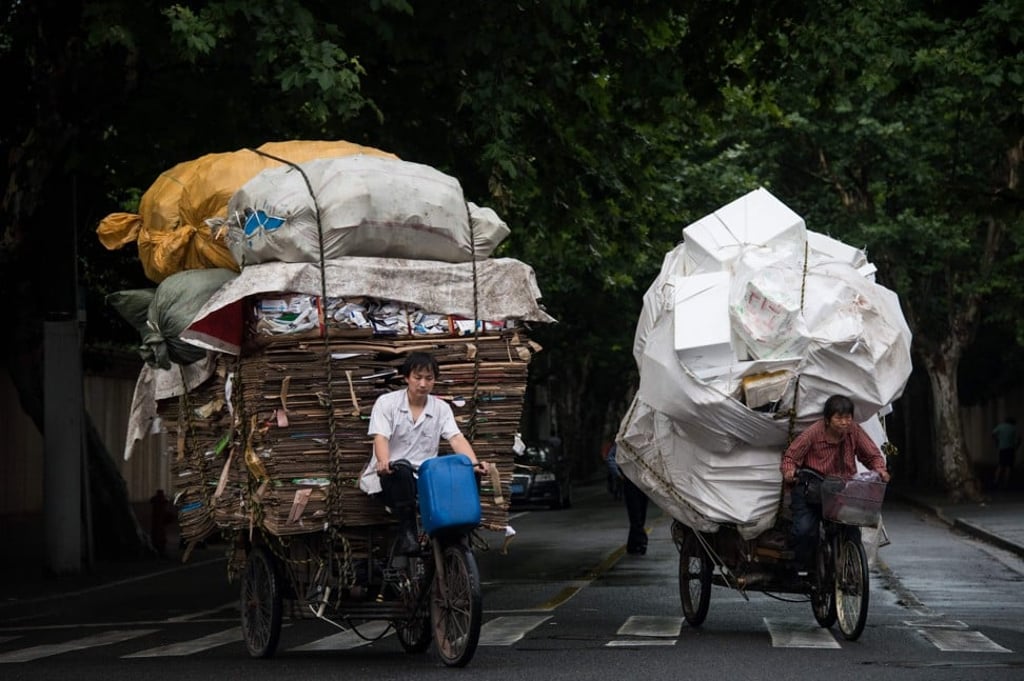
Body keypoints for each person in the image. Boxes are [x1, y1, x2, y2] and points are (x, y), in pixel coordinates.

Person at [359, 352, 490, 555]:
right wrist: (384, 462)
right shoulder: (387, 403)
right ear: (406, 378)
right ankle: (408, 534)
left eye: (428, 378)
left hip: (426, 480)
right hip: (392, 478)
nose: (423, 384)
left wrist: (474, 464)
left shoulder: (441, 409)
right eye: (417, 377)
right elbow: (381, 438)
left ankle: (459, 538)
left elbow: (456, 438)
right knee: (401, 470)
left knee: (467, 473)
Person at [779, 394, 890, 571]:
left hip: (841, 490)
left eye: (848, 418)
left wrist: (880, 470)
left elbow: (872, 455)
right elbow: (790, 457)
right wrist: (789, 471)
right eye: (839, 418)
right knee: (805, 531)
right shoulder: (813, 433)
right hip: (812, 489)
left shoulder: (854, 431)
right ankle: (803, 569)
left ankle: (850, 569)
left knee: (852, 529)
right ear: (827, 420)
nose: (844, 422)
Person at [607, 442, 650, 555]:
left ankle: (632, 545)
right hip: (631, 483)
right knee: (635, 515)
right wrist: (618, 474)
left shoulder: (645, 441)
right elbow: (611, 458)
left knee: (640, 515)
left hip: (643, 484)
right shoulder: (623, 442)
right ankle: (641, 541)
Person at [991, 416, 1020, 489]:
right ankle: (1006, 483)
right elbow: (1019, 438)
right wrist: (1016, 446)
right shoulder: (1013, 428)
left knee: (1000, 465)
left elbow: (993, 434)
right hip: (1011, 449)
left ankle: (996, 481)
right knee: (1009, 467)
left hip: (1002, 448)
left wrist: (997, 441)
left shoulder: (1001, 426)